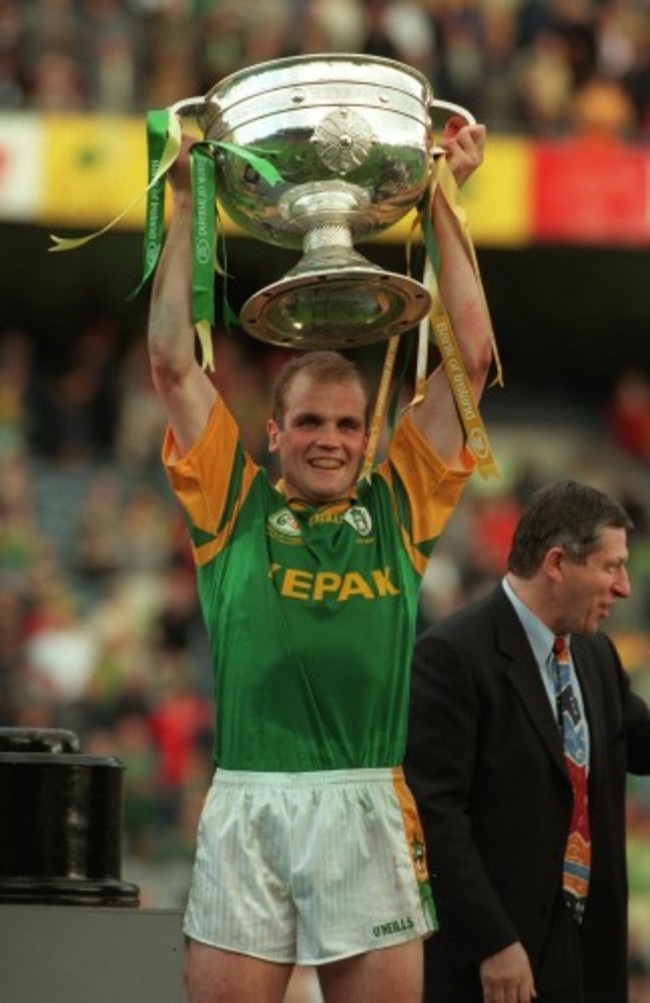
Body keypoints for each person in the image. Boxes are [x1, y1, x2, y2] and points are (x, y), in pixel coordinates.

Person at [147, 114, 493, 1003]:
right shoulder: (234, 505)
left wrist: (445, 200)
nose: (329, 439)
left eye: (346, 423)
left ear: (368, 435)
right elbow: (174, 366)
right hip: (250, 801)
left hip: (365, 805)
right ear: (274, 432)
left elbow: (472, 361)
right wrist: (185, 199)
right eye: (308, 421)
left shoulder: (399, 505)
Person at [404, 479, 650, 1003]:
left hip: (586, 958)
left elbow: (641, 742)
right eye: (611, 567)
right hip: (497, 966)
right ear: (557, 563)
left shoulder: (594, 654)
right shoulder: (451, 656)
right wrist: (490, 941)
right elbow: (434, 816)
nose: (624, 587)